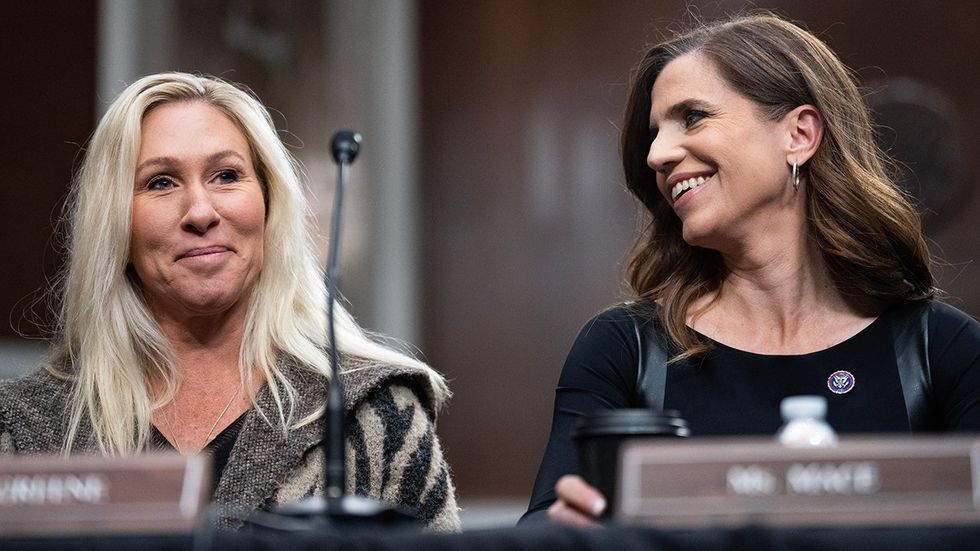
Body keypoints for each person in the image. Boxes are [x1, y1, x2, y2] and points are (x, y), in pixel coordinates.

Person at [522, 13, 980, 527]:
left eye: (692, 117)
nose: (657, 154)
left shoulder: (941, 350)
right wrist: (563, 535)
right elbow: (544, 528)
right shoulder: (623, 348)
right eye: (654, 134)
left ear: (799, 135)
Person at [0, 72, 460, 531]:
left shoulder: (375, 412)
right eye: (160, 182)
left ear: (268, 201)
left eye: (226, 175)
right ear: (114, 221)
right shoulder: (25, 428)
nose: (200, 212)